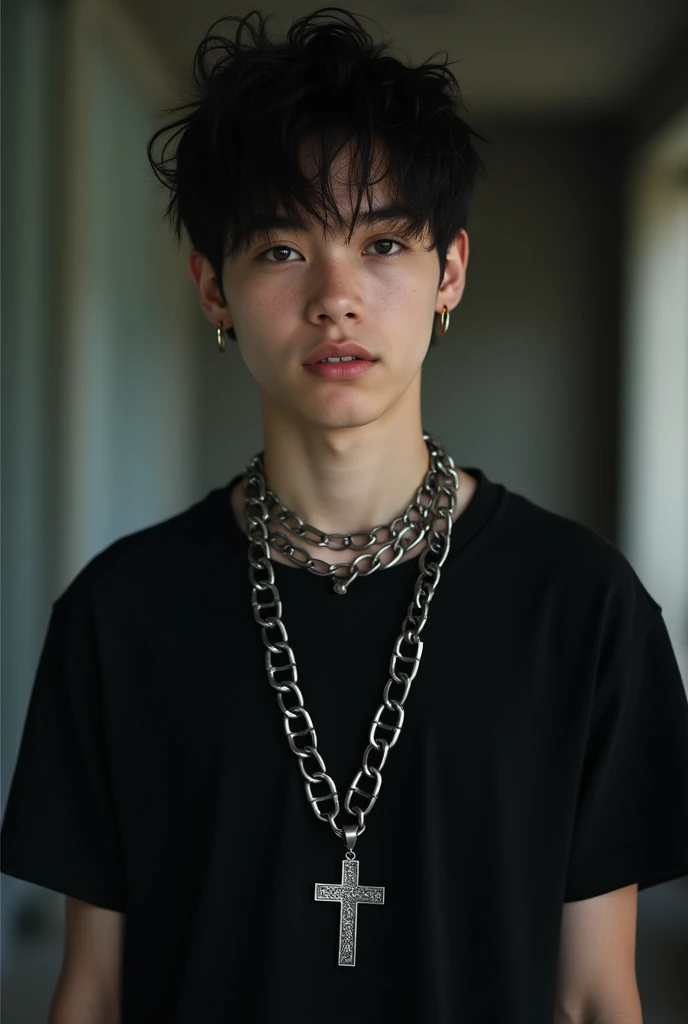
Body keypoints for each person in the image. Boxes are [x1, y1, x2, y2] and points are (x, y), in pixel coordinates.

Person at [2, 7, 688, 1023]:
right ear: (212, 288)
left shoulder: (583, 611)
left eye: (382, 244)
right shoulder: (119, 615)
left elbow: (593, 995)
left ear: (448, 271)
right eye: (281, 249)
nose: (336, 298)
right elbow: (93, 989)